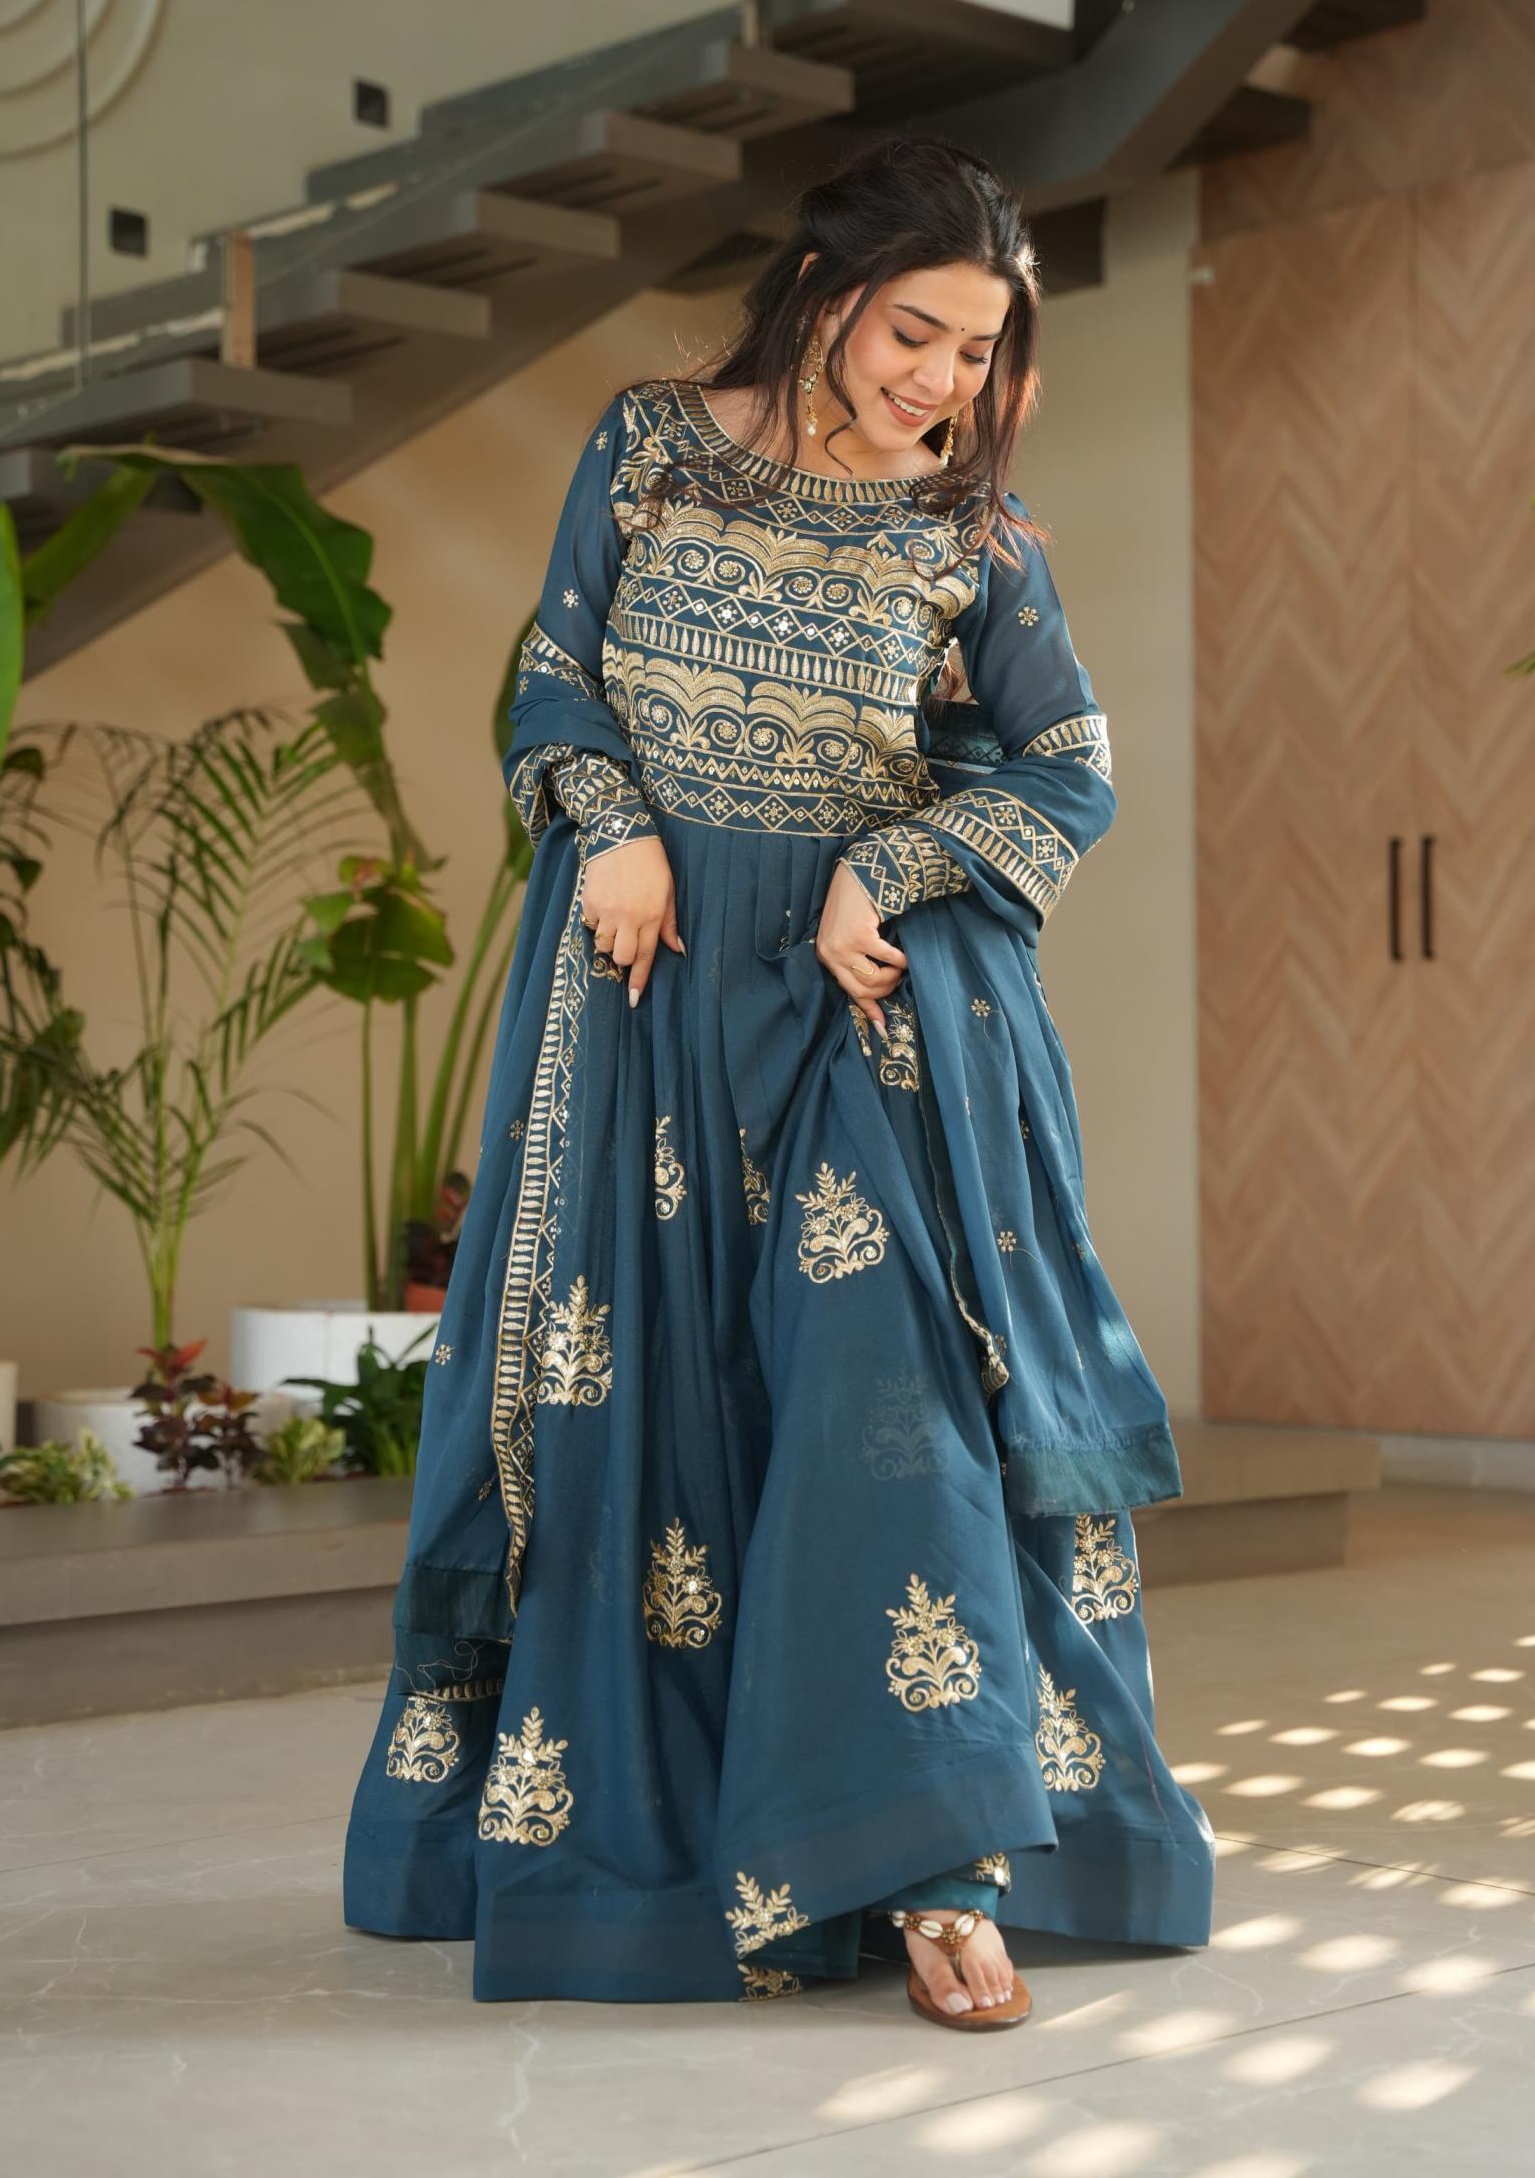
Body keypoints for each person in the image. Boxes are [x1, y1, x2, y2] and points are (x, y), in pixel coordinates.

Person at [342, 131, 1215, 2026]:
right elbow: (556, 673)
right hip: (644, 984)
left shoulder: (971, 536)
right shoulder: (648, 446)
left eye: (978, 351)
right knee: (647, 1406)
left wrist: (893, 867)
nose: (944, 381)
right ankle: (692, 1852)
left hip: (858, 1012)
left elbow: (1070, 762)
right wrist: (609, 826)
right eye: (917, 334)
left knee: (882, 1405)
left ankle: (936, 1866)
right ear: (826, 294)